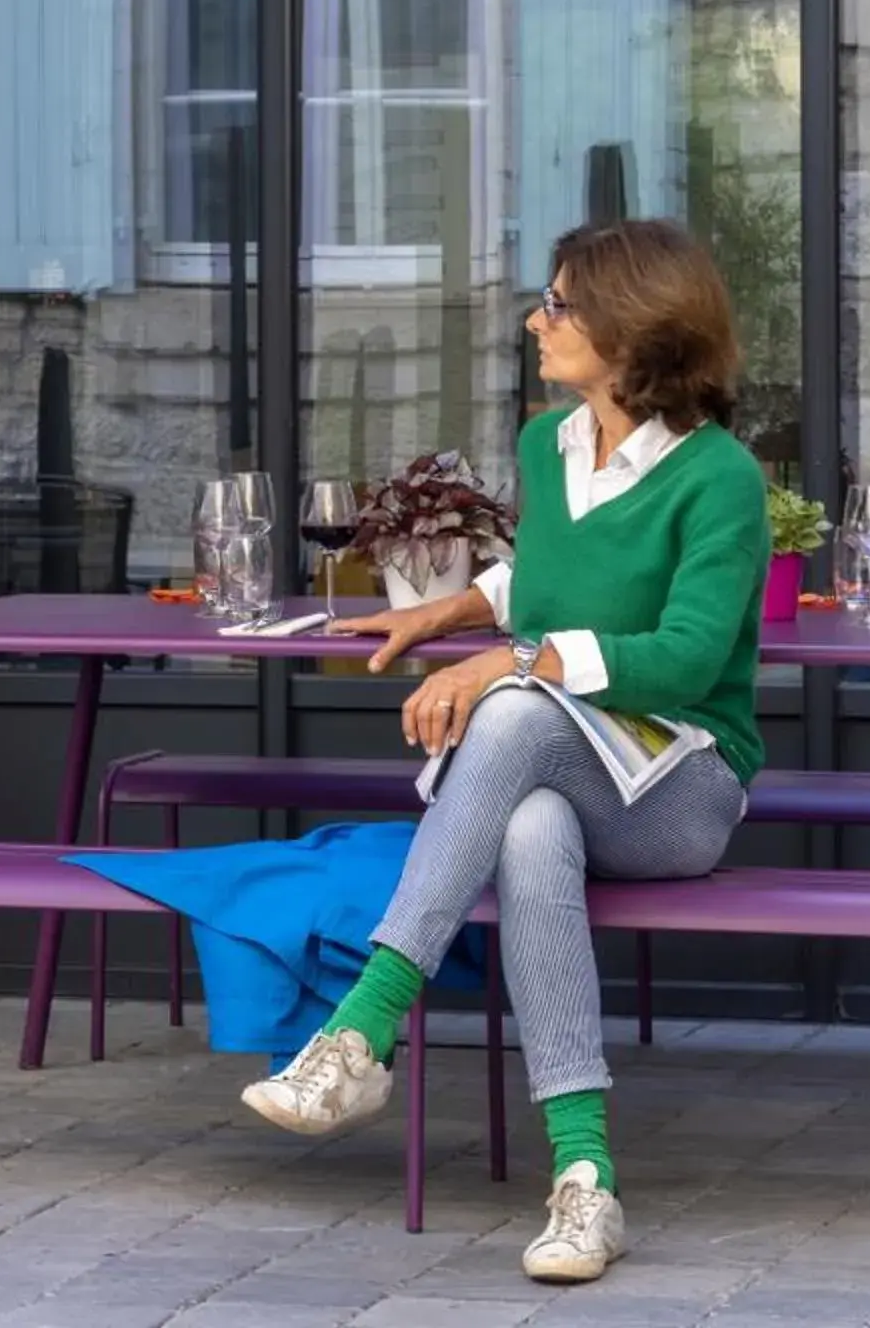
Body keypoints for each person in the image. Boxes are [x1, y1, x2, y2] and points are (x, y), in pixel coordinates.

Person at [246, 217, 770, 1283]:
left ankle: (361, 1028)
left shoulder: (719, 478)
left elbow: (680, 656)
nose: (538, 318)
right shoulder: (547, 443)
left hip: (685, 787)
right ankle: (585, 1181)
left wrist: (504, 664)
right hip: (573, 776)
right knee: (528, 827)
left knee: (520, 706)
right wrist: (445, 620)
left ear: (631, 326)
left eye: (561, 303)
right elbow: (548, 577)